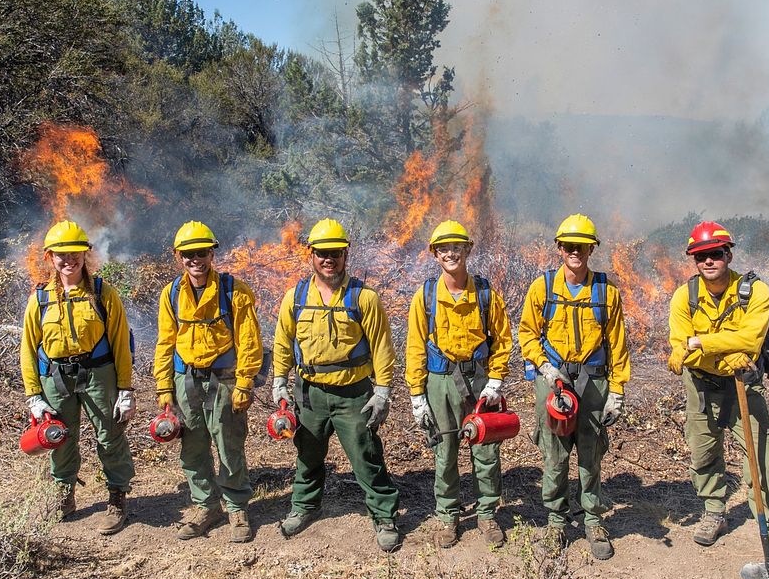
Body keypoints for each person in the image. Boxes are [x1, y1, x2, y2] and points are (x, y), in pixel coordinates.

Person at [667, 221, 769, 579]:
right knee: (704, 452)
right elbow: (681, 349)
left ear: (728, 254)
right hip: (700, 386)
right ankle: (715, 511)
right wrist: (720, 351)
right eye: (701, 256)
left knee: (763, 462)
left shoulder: (754, 292)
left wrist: (702, 343)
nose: (708, 261)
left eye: (715, 253)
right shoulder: (684, 296)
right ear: (694, 261)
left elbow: (751, 340)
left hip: (745, 384)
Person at [271, 218, 401, 552]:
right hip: (310, 393)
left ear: (345, 255)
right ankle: (304, 506)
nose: (329, 259)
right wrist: (279, 381)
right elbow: (283, 342)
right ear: (311, 255)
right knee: (308, 454)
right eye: (322, 253)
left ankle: (384, 515)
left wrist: (383, 392)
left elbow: (382, 347)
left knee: (366, 456)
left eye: (335, 253)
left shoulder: (364, 298)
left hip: (354, 393)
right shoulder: (295, 297)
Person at [518, 214, 630, 559]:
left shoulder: (606, 292)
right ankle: (556, 521)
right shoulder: (543, 287)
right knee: (554, 453)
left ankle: (593, 519)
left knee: (590, 452)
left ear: (591, 248)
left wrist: (618, 390)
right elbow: (526, 333)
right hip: (553, 382)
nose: (575, 252)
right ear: (559, 248)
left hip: (593, 381)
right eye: (569, 245)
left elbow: (618, 344)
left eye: (582, 246)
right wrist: (547, 368)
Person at [20, 220, 136, 535]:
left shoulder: (103, 293)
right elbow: (29, 350)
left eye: (75, 253)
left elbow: (121, 345)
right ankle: (64, 494)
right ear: (50, 258)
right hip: (56, 378)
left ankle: (117, 495)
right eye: (61, 254)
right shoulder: (40, 299)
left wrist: (125, 390)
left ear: (86, 254)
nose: (68, 260)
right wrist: (34, 396)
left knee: (109, 435)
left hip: (99, 374)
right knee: (59, 439)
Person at [405, 221, 513, 548]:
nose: (451, 253)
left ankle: (486, 514)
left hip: (479, 380)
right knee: (445, 451)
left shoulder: (485, 294)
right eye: (444, 248)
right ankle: (448, 515)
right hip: (440, 382)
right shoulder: (425, 297)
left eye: (457, 247)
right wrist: (417, 396)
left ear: (468, 250)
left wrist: (495, 380)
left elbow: (503, 340)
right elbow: (414, 347)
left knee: (486, 450)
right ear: (435, 254)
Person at [154, 221, 263, 542]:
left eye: (201, 252)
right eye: (188, 254)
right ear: (178, 256)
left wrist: (245, 384)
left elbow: (249, 342)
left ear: (212, 253)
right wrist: (163, 386)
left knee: (229, 444)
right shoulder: (171, 294)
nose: (195, 259)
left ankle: (236, 507)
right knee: (193, 446)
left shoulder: (235, 291)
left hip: (225, 380)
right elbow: (165, 342)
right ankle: (206, 505)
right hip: (186, 380)